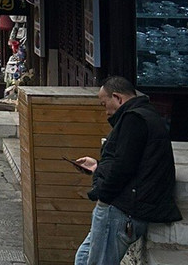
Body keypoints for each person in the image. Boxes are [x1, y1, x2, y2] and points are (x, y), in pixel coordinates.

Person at [73, 76, 181, 265]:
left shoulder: (134, 119)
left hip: (122, 209)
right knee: (82, 258)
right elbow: (132, 162)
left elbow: (123, 167)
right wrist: (98, 167)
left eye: (104, 104)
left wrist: (102, 194)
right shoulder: (147, 114)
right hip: (127, 204)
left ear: (117, 98)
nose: (106, 111)